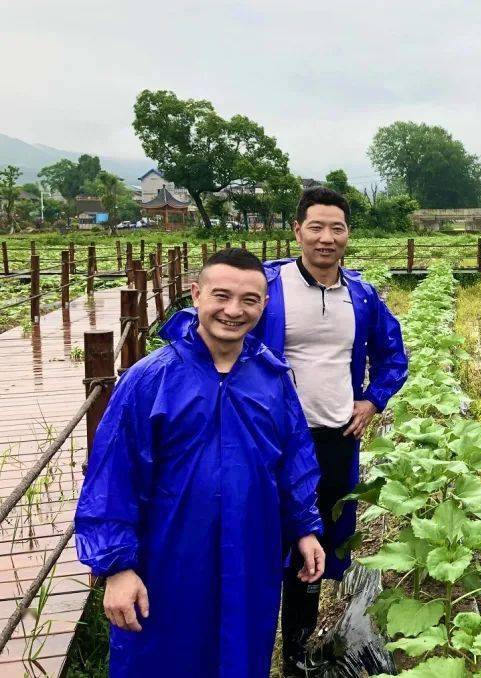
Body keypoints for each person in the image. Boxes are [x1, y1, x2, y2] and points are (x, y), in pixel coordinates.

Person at [74, 248, 324, 677]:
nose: (233, 311)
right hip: (167, 559)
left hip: (251, 551)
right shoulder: (150, 379)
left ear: (264, 305)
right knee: (164, 658)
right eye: (221, 296)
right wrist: (117, 567)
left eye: (249, 300)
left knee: (242, 654)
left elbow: (294, 460)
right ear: (196, 294)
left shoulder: (272, 378)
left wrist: (304, 527)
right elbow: (113, 479)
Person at [252, 186, 408, 674]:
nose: (326, 237)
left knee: (314, 546)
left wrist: (373, 399)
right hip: (271, 443)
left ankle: (295, 650)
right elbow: (217, 330)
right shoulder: (269, 286)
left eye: (336, 228)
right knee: (258, 539)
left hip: (335, 438)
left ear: (347, 235)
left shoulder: (360, 295)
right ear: (297, 230)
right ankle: (249, 646)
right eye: (315, 227)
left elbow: (392, 356)